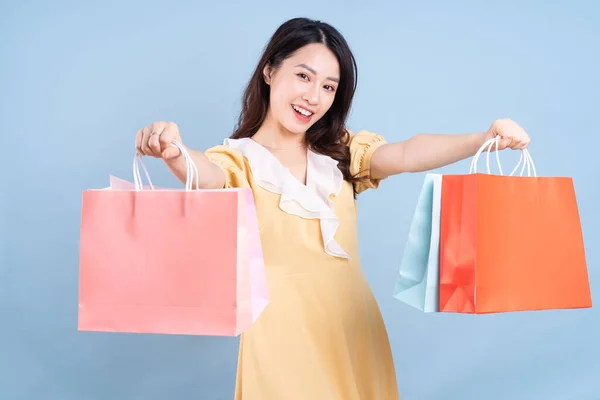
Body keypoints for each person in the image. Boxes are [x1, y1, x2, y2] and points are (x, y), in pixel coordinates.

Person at [134, 17, 530, 400]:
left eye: (328, 86)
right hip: (283, 334)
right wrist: (174, 152)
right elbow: (205, 174)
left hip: (355, 327)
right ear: (270, 71)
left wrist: (484, 138)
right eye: (303, 76)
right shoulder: (239, 160)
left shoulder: (340, 151)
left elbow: (407, 153)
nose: (313, 97)